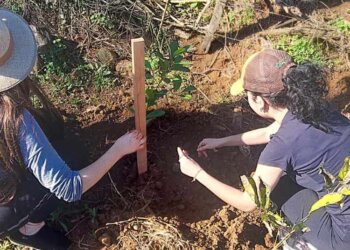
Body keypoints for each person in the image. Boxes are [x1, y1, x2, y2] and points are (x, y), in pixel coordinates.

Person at [0, 8, 146, 249]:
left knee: (62, 138)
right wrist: (120, 149)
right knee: (74, 155)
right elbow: (69, 186)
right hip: (4, 208)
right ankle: (25, 226)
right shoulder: (17, 120)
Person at [177, 49, 350, 250]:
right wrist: (222, 141)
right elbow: (270, 132)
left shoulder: (282, 146)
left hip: (342, 239)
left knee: (279, 187)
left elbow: (248, 203)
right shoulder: (316, 108)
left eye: (248, 96)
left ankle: (303, 244)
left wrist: (196, 172)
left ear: (259, 101)